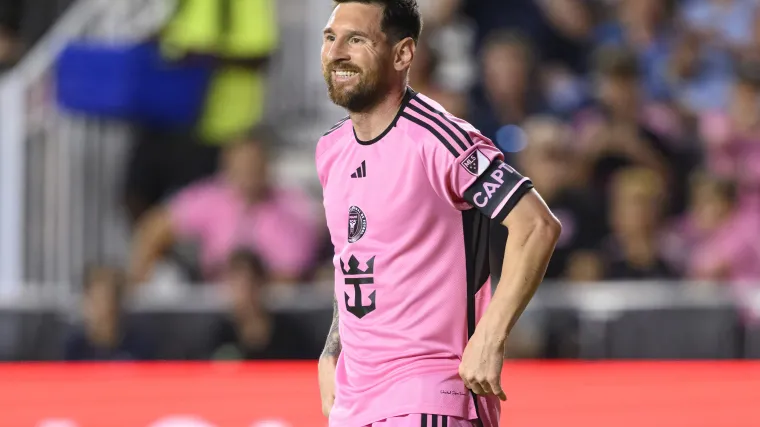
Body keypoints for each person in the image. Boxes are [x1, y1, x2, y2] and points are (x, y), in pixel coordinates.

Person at [315, 2, 561, 427]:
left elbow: (536, 225)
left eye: (357, 39)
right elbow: (353, 258)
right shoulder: (331, 149)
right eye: (330, 37)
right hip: (354, 403)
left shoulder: (441, 139)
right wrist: (332, 350)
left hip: (429, 397)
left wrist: (490, 335)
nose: (337, 52)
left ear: (402, 54)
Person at [207, 250, 320, 360]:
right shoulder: (220, 336)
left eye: (250, 283)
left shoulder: (289, 334)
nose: (245, 292)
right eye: (238, 285)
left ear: (261, 283)